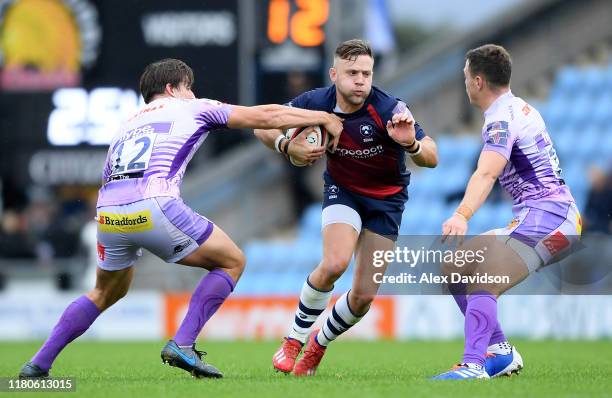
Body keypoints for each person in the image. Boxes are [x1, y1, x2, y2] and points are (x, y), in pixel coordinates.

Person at [18, 58, 343, 379]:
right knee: (231, 261)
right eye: (190, 88)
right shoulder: (192, 107)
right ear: (173, 88)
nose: (193, 94)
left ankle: (38, 365)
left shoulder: (126, 123)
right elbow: (267, 115)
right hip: (154, 204)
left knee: (105, 292)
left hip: (108, 213)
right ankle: (183, 344)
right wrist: (323, 117)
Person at [254, 39, 438, 376]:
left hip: (387, 201)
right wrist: (286, 145)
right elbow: (261, 125)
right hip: (344, 192)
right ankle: (294, 340)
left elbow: (432, 155)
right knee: (335, 262)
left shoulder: (388, 109)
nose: (360, 80)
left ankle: (317, 345)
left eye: (366, 73)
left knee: (364, 296)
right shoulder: (314, 102)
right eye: (352, 72)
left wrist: (410, 143)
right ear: (334, 74)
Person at [432, 44, 582, 380]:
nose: (466, 83)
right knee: (455, 267)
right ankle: (499, 352)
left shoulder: (502, 118)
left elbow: (486, 172)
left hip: (554, 217)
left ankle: (473, 365)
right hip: (537, 215)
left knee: (486, 278)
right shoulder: (517, 109)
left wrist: (462, 214)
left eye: (466, 77)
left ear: (479, 81)